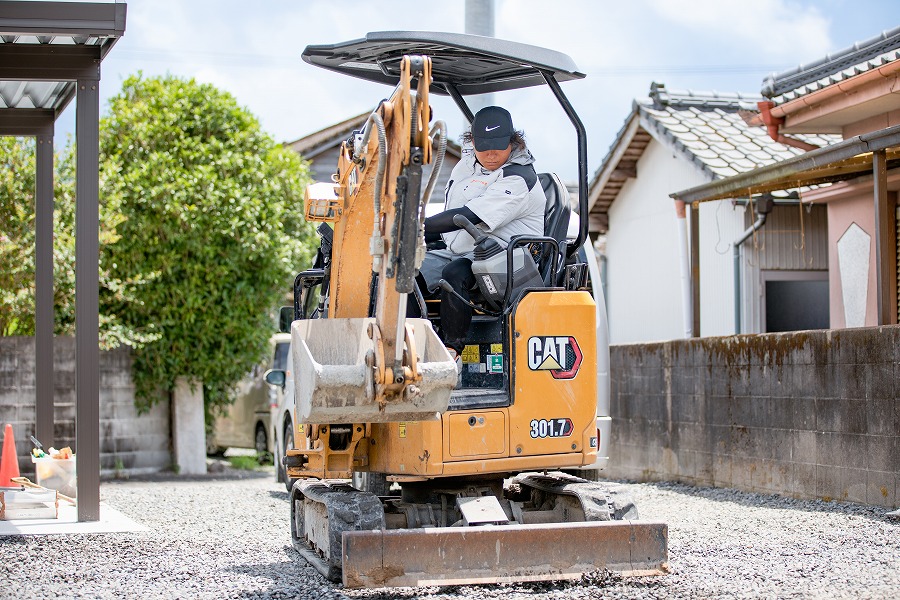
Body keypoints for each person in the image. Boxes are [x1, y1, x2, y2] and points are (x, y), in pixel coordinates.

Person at [418, 106, 547, 358]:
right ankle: (411, 341)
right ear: (472, 142)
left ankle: (450, 352)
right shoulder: (468, 165)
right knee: (406, 272)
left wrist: (416, 226)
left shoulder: (519, 178)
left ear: (513, 141)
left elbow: (468, 215)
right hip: (466, 249)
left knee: (455, 274)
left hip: (507, 258)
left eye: (498, 146)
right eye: (483, 146)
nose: (490, 154)